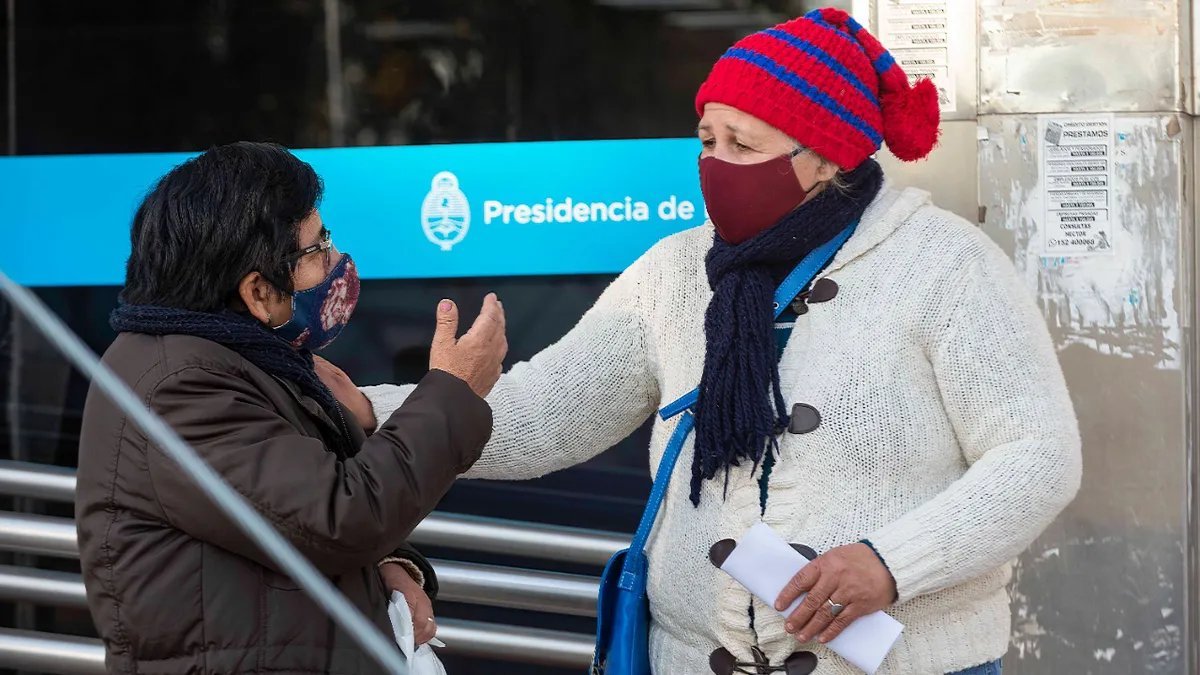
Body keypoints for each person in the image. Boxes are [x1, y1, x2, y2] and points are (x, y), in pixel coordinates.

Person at [332, 9, 1081, 675]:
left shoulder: (946, 265)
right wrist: (370, 409)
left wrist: (890, 564)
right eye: (707, 139)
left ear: (827, 156)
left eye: (744, 144)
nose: (715, 165)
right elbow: (546, 412)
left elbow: (1037, 455)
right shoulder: (679, 271)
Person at [76, 141, 508, 674]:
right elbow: (341, 517)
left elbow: (291, 514)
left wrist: (387, 566)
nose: (335, 261)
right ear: (258, 291)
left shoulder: (239, 356)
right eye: (317, 248)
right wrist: (454, 390)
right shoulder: (180, 386)